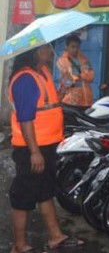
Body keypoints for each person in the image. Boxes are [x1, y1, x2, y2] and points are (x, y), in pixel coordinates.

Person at [8, 44, 84, 253]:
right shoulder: (25, 79)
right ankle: (19, 245)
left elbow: (47, 105)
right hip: (32, 148)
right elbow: (25, 119)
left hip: (47, 145)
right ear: (35, 52)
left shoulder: (42, 73)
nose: (51, 52)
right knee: (23, 195)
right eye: (46, 49)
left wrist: (62, 90)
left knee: (45, 192)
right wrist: (34, 152)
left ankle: (55, 237)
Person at [56, 34, 95, 107]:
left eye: (77, 47)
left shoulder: (84, 60)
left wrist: (78, 76)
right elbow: (67, 81)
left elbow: (91, 76)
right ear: (67, 47)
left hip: (86, 98)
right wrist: (80, 77)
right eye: (73, 47)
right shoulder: (61, 61)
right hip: (70, 98)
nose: (75, 49)